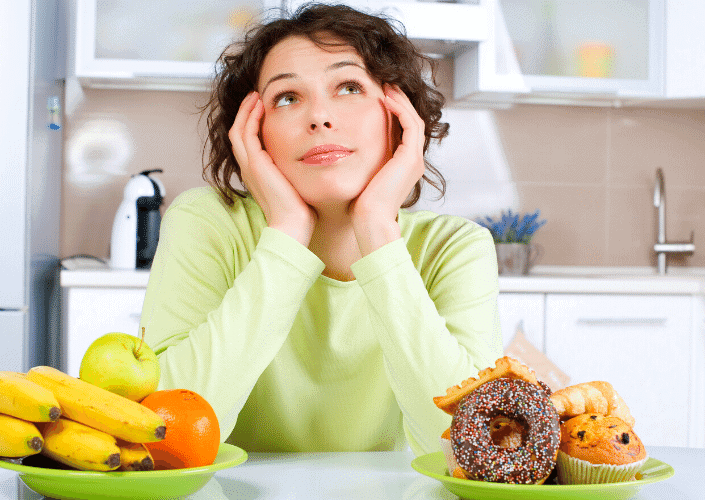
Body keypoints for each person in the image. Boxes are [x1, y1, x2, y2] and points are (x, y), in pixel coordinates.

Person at [139, 2, 502, 456]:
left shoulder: (455, 248)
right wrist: (288, 232)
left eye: (348, 87)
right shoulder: (207, 222)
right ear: (254, 133)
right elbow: (164, 432)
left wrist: (376, 231)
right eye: (287, 98)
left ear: (399, 117)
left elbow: (474, 449)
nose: (319, 117)